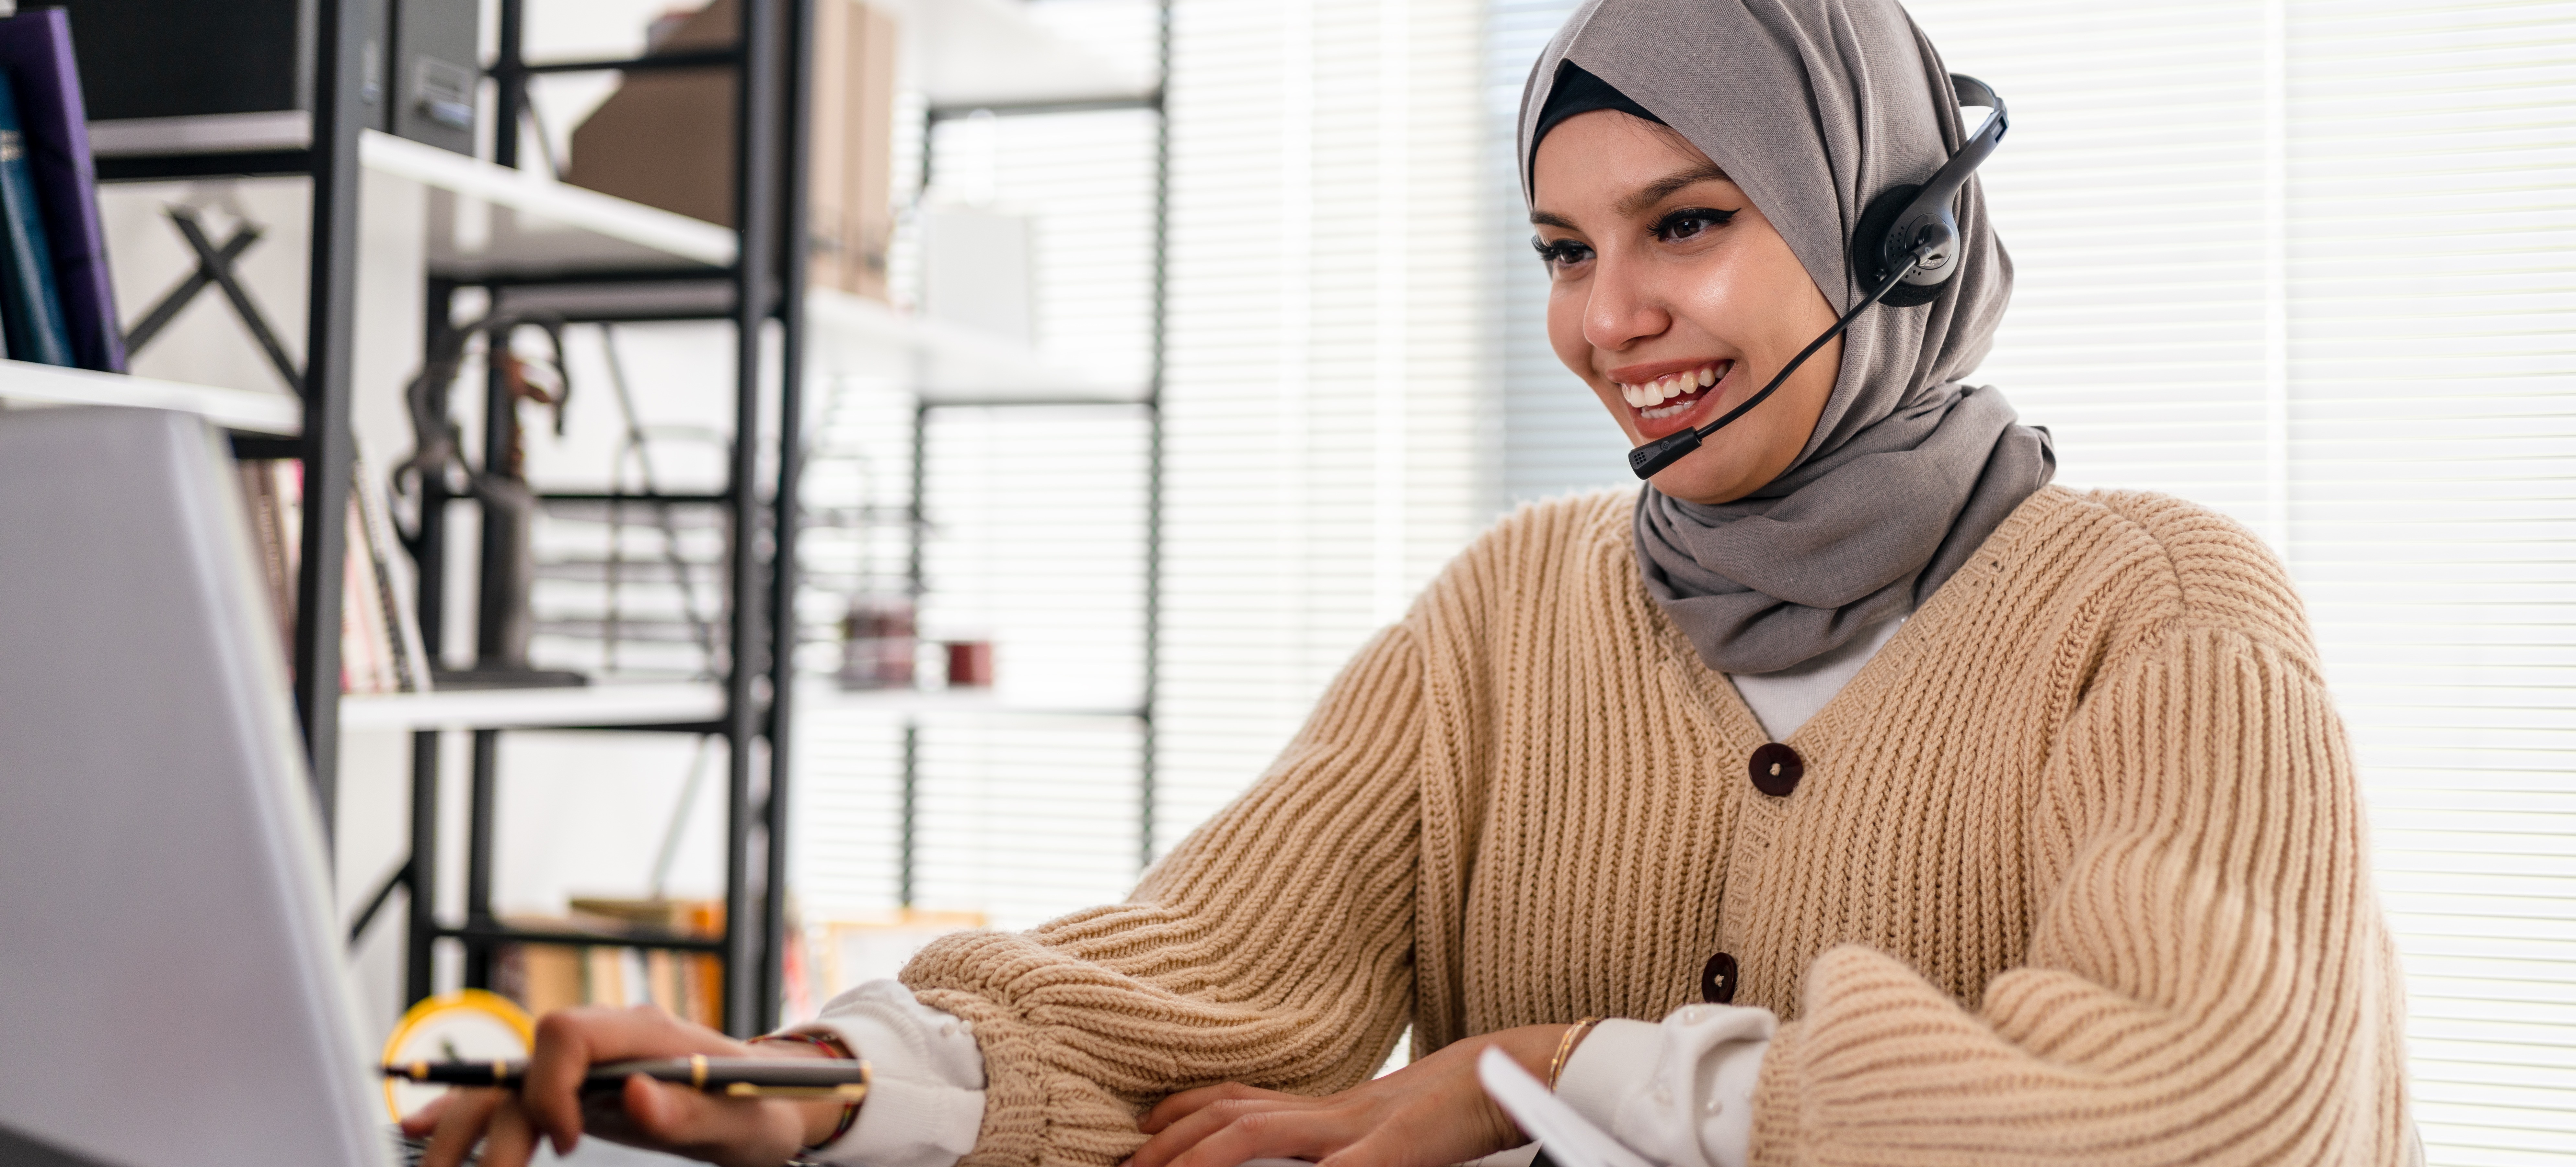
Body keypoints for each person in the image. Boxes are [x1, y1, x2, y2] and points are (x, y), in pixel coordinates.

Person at [413, 1, 2419, 1165]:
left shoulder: (2161, 612)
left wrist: (1542, 1072)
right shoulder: (1515, 611)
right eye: (1562, 248)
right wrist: (817, 1089)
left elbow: (2199, 1109)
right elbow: (1180, 971)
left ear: (1892, 239)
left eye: (1687, 225)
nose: (1610, 317)